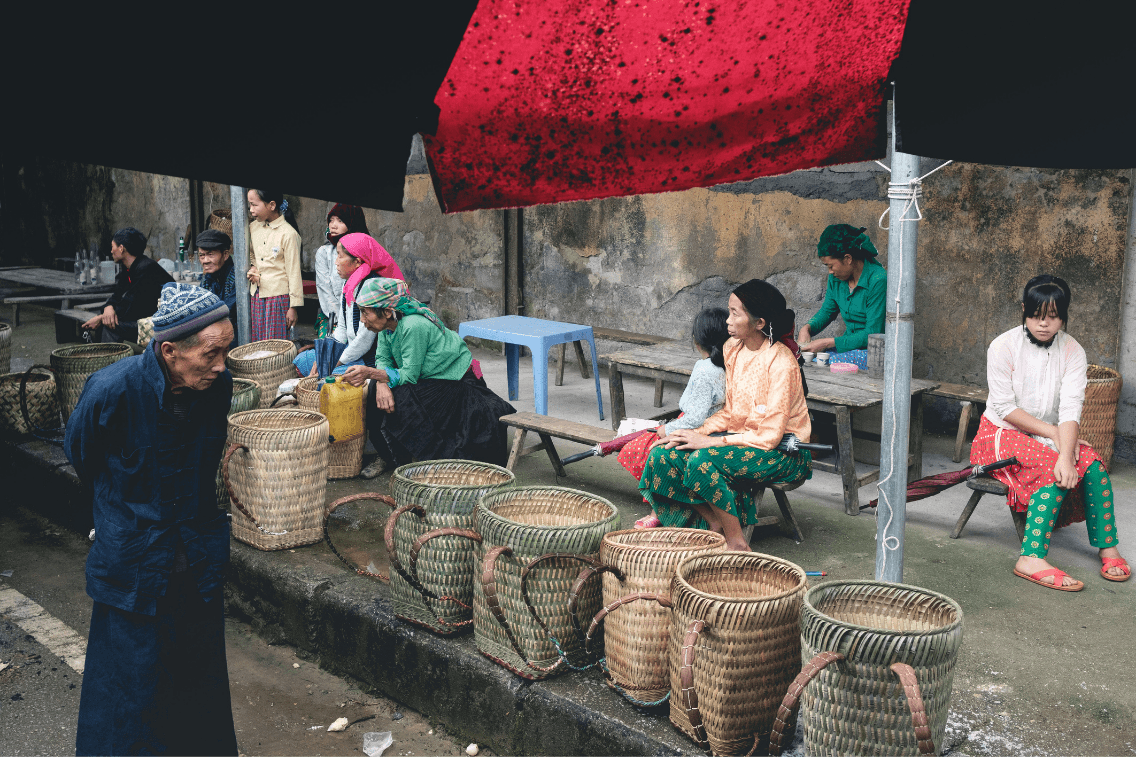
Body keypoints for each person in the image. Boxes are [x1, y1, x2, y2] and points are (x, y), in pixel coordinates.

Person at [65, 282, 238, 755]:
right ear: (169, 351)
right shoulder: (112, 389)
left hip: (195, 558)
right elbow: (81, 454)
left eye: (226, 350)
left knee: (197, 684)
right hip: (133, 564)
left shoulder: (218, 387)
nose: (222, 365)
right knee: (129, 690)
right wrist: (120, 514)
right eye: (211, 354)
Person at [970, 274, 1128, 590]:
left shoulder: (1072, 351)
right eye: (1036, 315)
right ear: (1024, 311)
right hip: (999, 434)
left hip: (1045, 434)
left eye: (1053, 316)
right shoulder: (1002, 346)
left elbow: (1070, 408)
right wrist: (1055, 437)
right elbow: (1004, 408)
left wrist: (1066, 452)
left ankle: (1108, 548)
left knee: (1092, 464)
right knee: (1049, 467)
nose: (1043, 324)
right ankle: (1030, 557)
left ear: (1063, 315)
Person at [640, 279, 812, 551]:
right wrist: (695, 433)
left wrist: (710, 441)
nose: (728, 321)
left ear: (759, 323)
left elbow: (768, 437)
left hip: (783, 452)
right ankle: (713, 523)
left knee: (702, 460)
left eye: (735, 313)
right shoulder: (733, 348)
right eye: (728, 311)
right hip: (740, 438)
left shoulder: (781, 364)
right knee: (664, 453)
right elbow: (730, 411)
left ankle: (736, 542)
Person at [340, 277, 515, 478]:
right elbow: (382, 358)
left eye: (365, 312)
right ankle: (389, 456)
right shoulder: (386, 328)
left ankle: (419, 456)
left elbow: (409, 375)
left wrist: (371, 373)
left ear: (387, 312)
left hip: (453, 381)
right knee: (374, 390)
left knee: (402, 397)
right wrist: (380, 382)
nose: (362, 320)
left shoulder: (413, 326)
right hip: (426, 378)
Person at [618, 307, 729, 528]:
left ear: (697, 341)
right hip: (714, 428)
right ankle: (664, 509)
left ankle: (659, 510)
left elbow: (695, 417)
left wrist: (666, 430)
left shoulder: (705, 370)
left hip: (697, 430)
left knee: (642, 451)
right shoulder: (728, 364)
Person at [293, 233, 405, 377]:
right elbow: (341, 328)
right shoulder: (349, 284)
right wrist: (325, 357)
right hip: (349, 351)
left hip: (367, 358)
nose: (336, 262)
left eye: (340, 256)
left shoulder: (371, 287)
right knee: (302, 360)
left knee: (330, 376)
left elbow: (364, 342)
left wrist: (333, 363)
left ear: (357, 262)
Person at [797, 224, 887, 369]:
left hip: (873, 352)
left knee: (826, 364)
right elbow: (827, 311)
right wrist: (807, 328)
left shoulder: (877, 280)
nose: (830, 271)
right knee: (805, 361)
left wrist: (828, 343)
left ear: (847, 259)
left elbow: (873, 333)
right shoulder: (836, 279)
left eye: (831, 266)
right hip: (848, 348)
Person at [82, 227, 174, 343]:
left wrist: (101, 317)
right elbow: (117, 295)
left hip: (162, 324)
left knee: (109, 325)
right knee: (108, 321)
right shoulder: (129, 268)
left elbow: (130, 304)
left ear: (121, 248)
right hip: (145, 318)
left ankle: (110, 355)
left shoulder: (146, 268)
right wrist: (108, 307)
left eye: (112, 247)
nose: (111, 251)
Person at [247, 189, 303, 341]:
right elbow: (252, 254)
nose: (251, 210)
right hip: (257, 295)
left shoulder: (288, 234)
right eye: (249, 205)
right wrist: (254, 267)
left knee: (275, 343)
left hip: (278, 298)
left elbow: (294, 272)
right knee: (258, 341)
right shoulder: (253, 227)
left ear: (271, 205)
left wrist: (293, 307)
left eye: (254, 205)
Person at [314, 204, 370, 339]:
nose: (333, 226)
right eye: (331, 220)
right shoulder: (324, 252)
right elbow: (325, 292)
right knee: (331, 346)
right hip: (332, 315)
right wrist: (343, 322)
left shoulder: (367, 251)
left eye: (340, 221)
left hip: (364, 314)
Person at [196, 228, 237, 334]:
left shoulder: (237, 278)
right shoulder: (207, 278)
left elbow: (227, 311)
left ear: (225, 255)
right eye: (202, 255)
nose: (205, 261)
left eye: (210, 254)